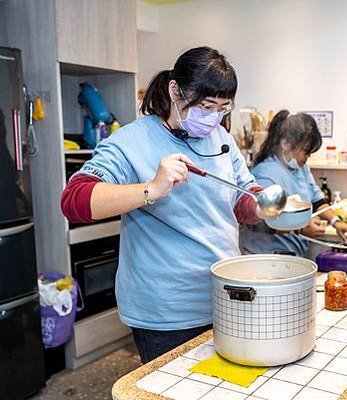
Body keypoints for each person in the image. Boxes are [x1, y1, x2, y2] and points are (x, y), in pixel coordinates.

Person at [61, 47, 265, 363]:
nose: (213, 117)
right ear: (175, 91)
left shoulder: (221, 140)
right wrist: (151, 189)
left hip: (222, 298)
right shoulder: (130, 142)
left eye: (223, 109)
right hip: (167, 311)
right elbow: (74, 201)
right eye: (206, 106)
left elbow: (239, 200)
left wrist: (264, 204)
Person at [240, 110, 347, 256]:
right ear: (285, 144)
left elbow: (317, 200)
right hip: (268, 255)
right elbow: (259, 221)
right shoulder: (266, 174)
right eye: (306, 151)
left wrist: (336, 221)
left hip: (293, 253)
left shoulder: (299, 166)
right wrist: (299, 229)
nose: (308, 156)